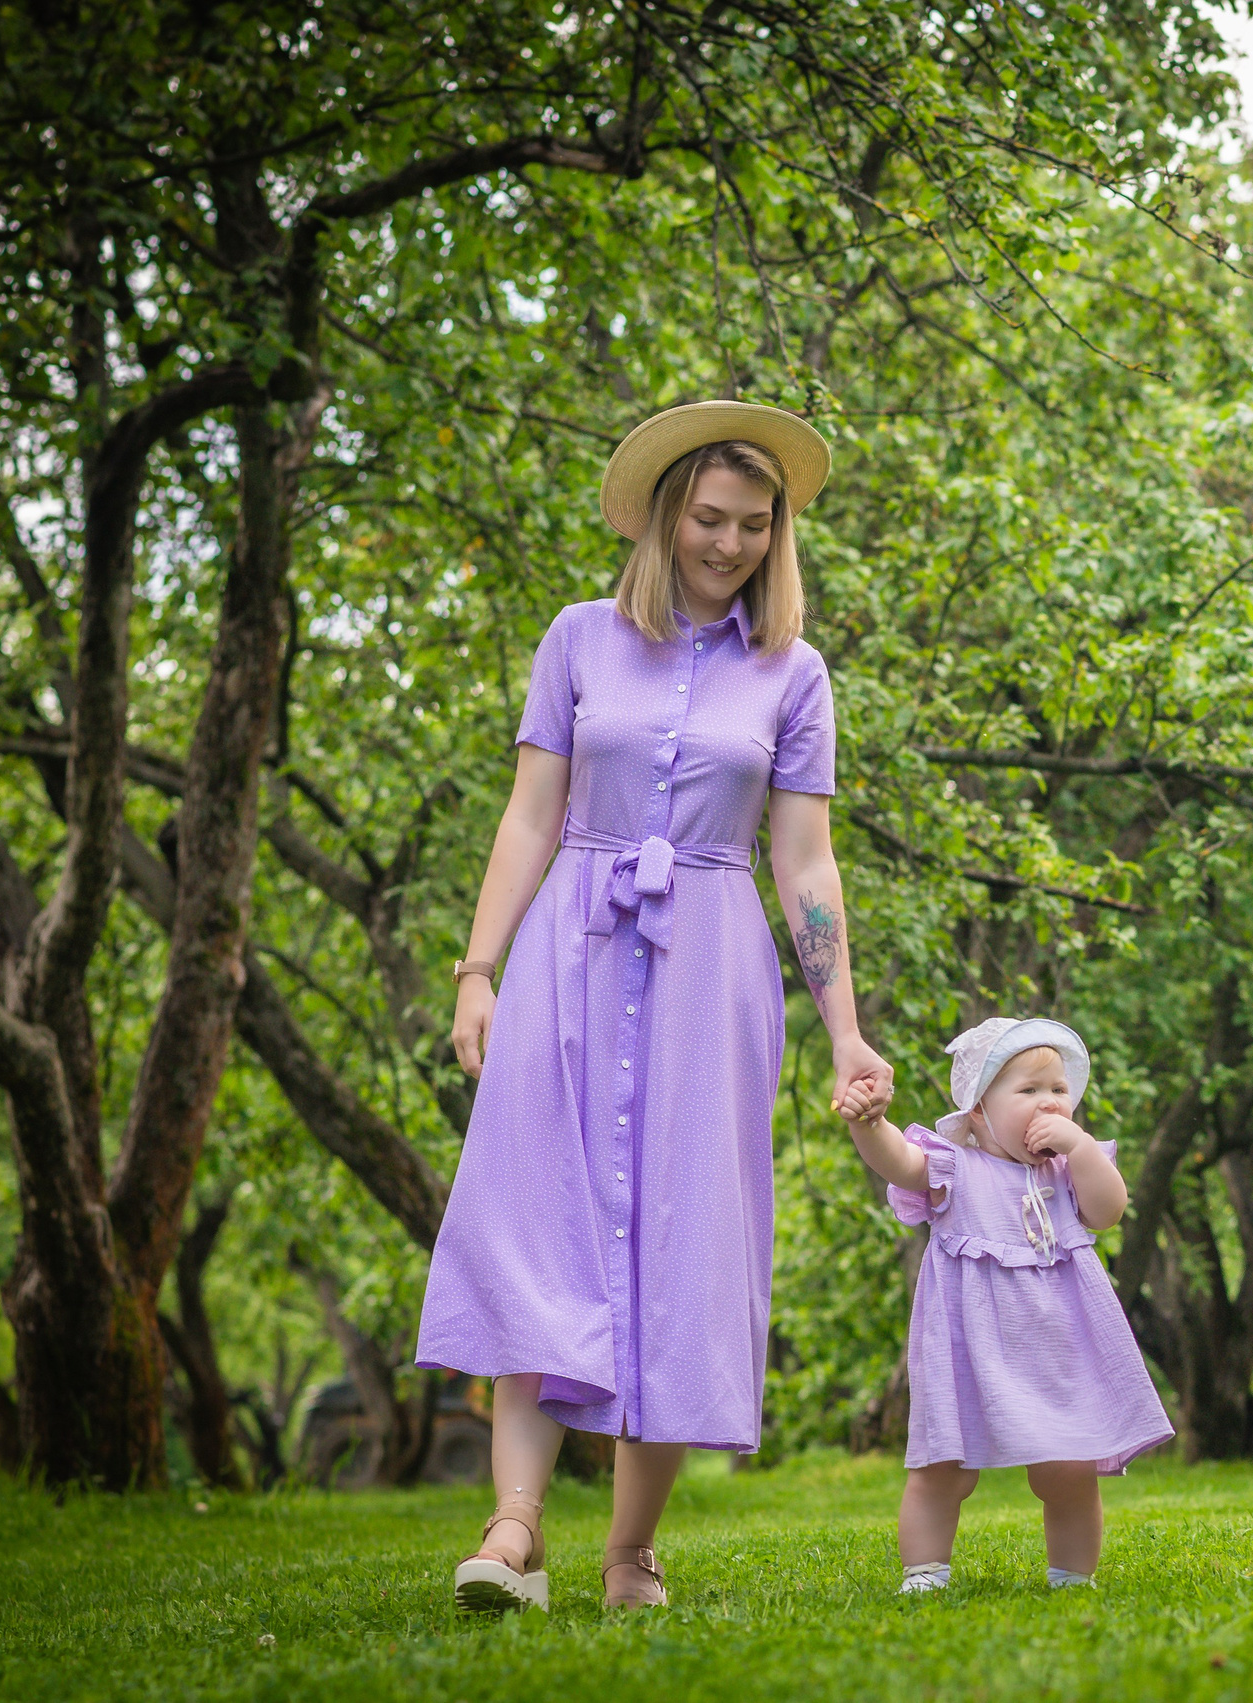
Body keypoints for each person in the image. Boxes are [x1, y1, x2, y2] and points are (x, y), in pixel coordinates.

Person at [417, 401, 891, 1614]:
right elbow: (528, 817)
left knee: (683, 1244)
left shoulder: (795, 673)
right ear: (667, 511)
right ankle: (514, 1526)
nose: (727, 543)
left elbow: (805, 863)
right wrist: (478, 968)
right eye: (708, 516)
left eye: (752, 524)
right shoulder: (578, 638)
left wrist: (846, 1027)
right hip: (569, 950)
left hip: (709, 967)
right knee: (539, 1221)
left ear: (777, 533)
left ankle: (631, 1549)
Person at [835, 1017, 1174, 1594]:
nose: (1050, 1103)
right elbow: (898, 1162)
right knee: (943, 1464)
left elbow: (1109, 1209)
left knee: (1070, 1468)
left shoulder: (1070, 1169)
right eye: (1029, 1091)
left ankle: (1072, 1577)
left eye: (1059, 1090)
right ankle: (925, 1575)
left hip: (1058, 1345)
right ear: (978, 1112)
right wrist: (871, 1124)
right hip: (971, 1342)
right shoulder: (955, 1166)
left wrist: (1080, 1146)